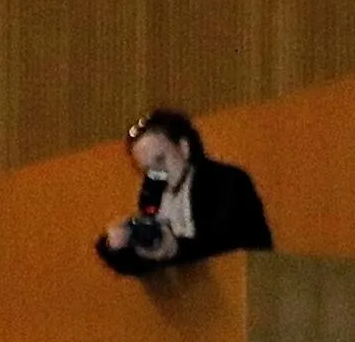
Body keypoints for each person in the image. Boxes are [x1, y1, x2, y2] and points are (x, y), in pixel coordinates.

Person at [94, 107, 272, 273]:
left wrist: (175, 248)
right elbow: (149, 264)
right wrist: (117, 246)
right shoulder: (152, 196)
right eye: (147, 170)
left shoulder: (225, 181)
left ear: (184, 148)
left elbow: (227, 243)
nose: (157, 174)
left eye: (160, 160)